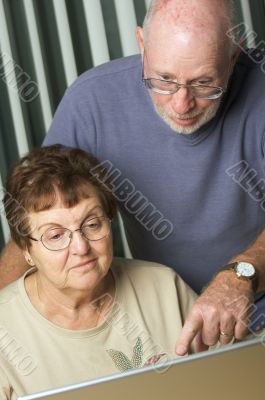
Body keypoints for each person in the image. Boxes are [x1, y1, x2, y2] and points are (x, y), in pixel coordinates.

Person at [1, 0, 265, 355]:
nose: (181, 105)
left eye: (204, 84)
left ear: (234, 56)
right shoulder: (92, 102)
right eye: (163, 80)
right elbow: (41, 213)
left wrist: (241, 276)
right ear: (141, 44)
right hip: (161, 317)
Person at [0, 144, 198, 399]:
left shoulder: (165, 287)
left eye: (92, 224)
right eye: (56, 235)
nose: (81, 247)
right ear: (26, 249)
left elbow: (236, 378)